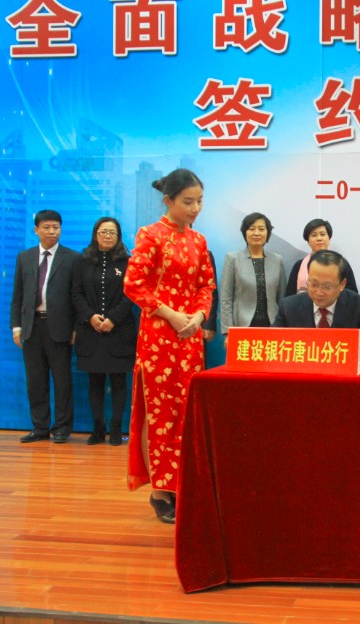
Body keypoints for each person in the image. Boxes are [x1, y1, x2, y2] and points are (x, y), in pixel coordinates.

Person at [124, 168, 215, 523]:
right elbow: (133, 284)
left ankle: (183, 485)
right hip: (159, 335)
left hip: (189, 337)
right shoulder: (150, 235)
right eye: (188, 202)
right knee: (160, 412)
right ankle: (160, 491)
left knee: (186, 410)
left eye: (199, 201)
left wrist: (199, 316)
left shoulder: (199, 241)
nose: (195, 208)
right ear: (168, 201)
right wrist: (171, 314)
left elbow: (206, 285)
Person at [10, 209, 80, 444]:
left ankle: (61, 428)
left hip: (59, 327)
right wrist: (16, 327)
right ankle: (39, 427)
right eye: (47, 227)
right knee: (35, 381)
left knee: (62, 381)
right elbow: (17, 296)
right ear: (36, 230)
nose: (52, 232)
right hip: (31, 327)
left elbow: (76, 296)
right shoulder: (24, 257)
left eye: (56, 227)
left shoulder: (72, 258)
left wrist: (75, 328)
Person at [71, 217, 137, 447]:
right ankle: (98, 428)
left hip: (119, 331)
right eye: (103, 232)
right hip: (91, 331)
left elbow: (131, 295)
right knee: (95, 381)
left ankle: (116, 428)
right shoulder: (83, 261)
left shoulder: (128, 262)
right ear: (95, 234)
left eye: (112, 233)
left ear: (118, 237)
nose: (108, 236)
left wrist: (113, 319)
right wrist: (90, 316)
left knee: (119, 381)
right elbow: (76, 293)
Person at [273, 249, 360, 362]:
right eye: (314, 284)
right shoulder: (289, 306)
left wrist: (327, 351)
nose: (319, 292)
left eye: (327, 287)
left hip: (342, 372)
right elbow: (270, 343)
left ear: (342, 284)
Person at [219, 212, 286, 339]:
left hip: (272, 326)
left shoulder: (277, 260)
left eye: (261, 229)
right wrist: (228, 332)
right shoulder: (233, 259)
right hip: (242, 326)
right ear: (245, 232)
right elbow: (226, 299)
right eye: (251, 229)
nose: (256, 233)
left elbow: (282, 297)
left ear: (267, 233)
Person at [285, 218, 358, 296]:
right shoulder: (299, 265)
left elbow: (352, 294)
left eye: (322, 234)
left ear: (329, 237)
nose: (319, 238)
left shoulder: (341, 263)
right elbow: (290, 296)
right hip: (304, 304)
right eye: (314, 235)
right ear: (308, 241)